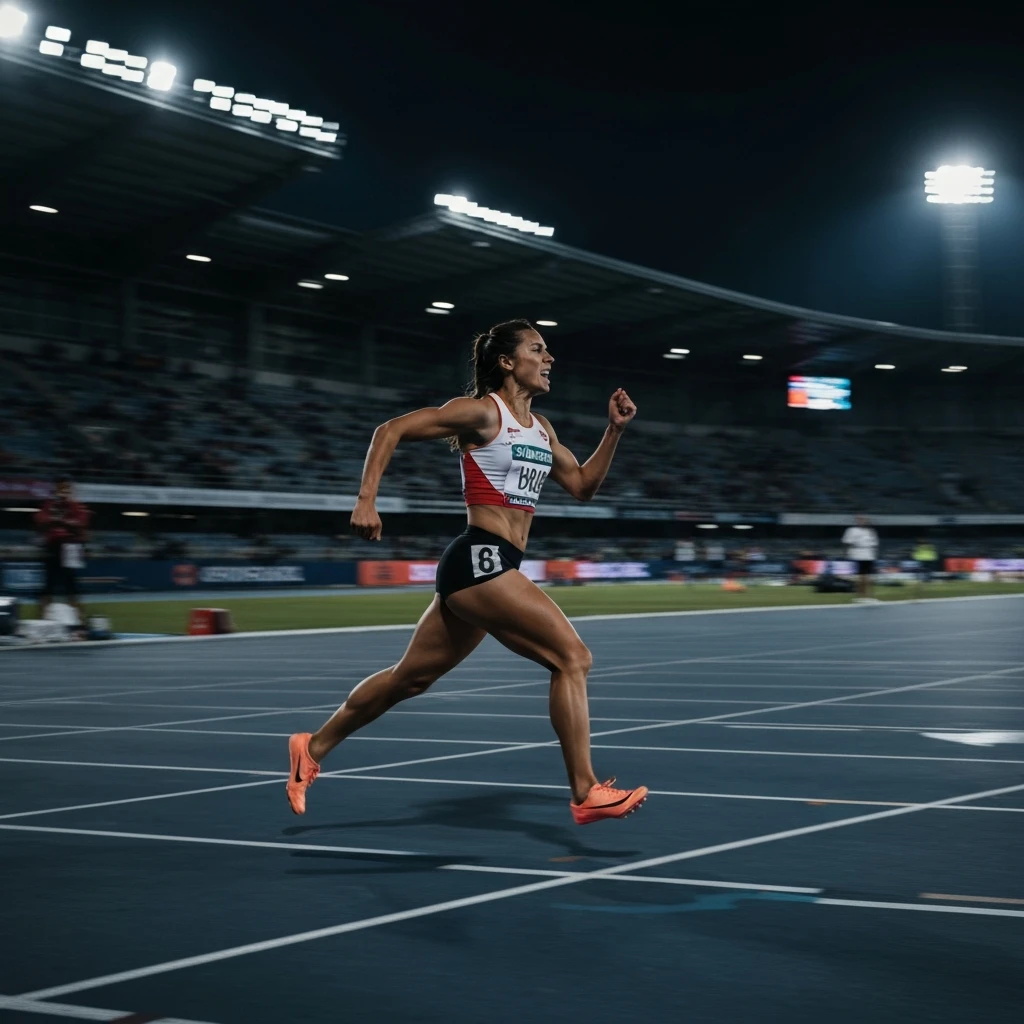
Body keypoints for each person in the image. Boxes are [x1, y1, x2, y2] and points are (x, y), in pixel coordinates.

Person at [286, 319, 648, 824]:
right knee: (572, 658)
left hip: (490, 566)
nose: (549, 359)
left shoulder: (542, 429)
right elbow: (388, 430)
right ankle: (585, 790)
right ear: (507, 361)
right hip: (482, 557)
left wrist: (613, 431)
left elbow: (584, 486)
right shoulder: (482, 413)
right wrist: (367, 500)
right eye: (537, 350)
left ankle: (311, 747)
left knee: (408, 680)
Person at [34, 478, 90, 624]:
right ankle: (43, 620)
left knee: (71, 585)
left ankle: (80, 620)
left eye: (67, 488)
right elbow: (40, 521)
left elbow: (80, 524)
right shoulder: (49, 505)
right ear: (56, 490)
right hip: (53, 547)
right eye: (61, 488)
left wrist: (58, 521)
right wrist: (62, 522)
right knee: (48, 585)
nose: (64, 491)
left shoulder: (76, 506)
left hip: (71, 547)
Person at [842, 514, 879, 602]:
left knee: (869, 576)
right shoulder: (852, 530)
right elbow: (847, 541)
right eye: (860, 519)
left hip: (869, 554)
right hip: (858, 554)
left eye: (864, 519)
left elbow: (874, 543)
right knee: (861, 576)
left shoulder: (870, 531)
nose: (862, 521)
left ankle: (868, 595)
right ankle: (861, 595)